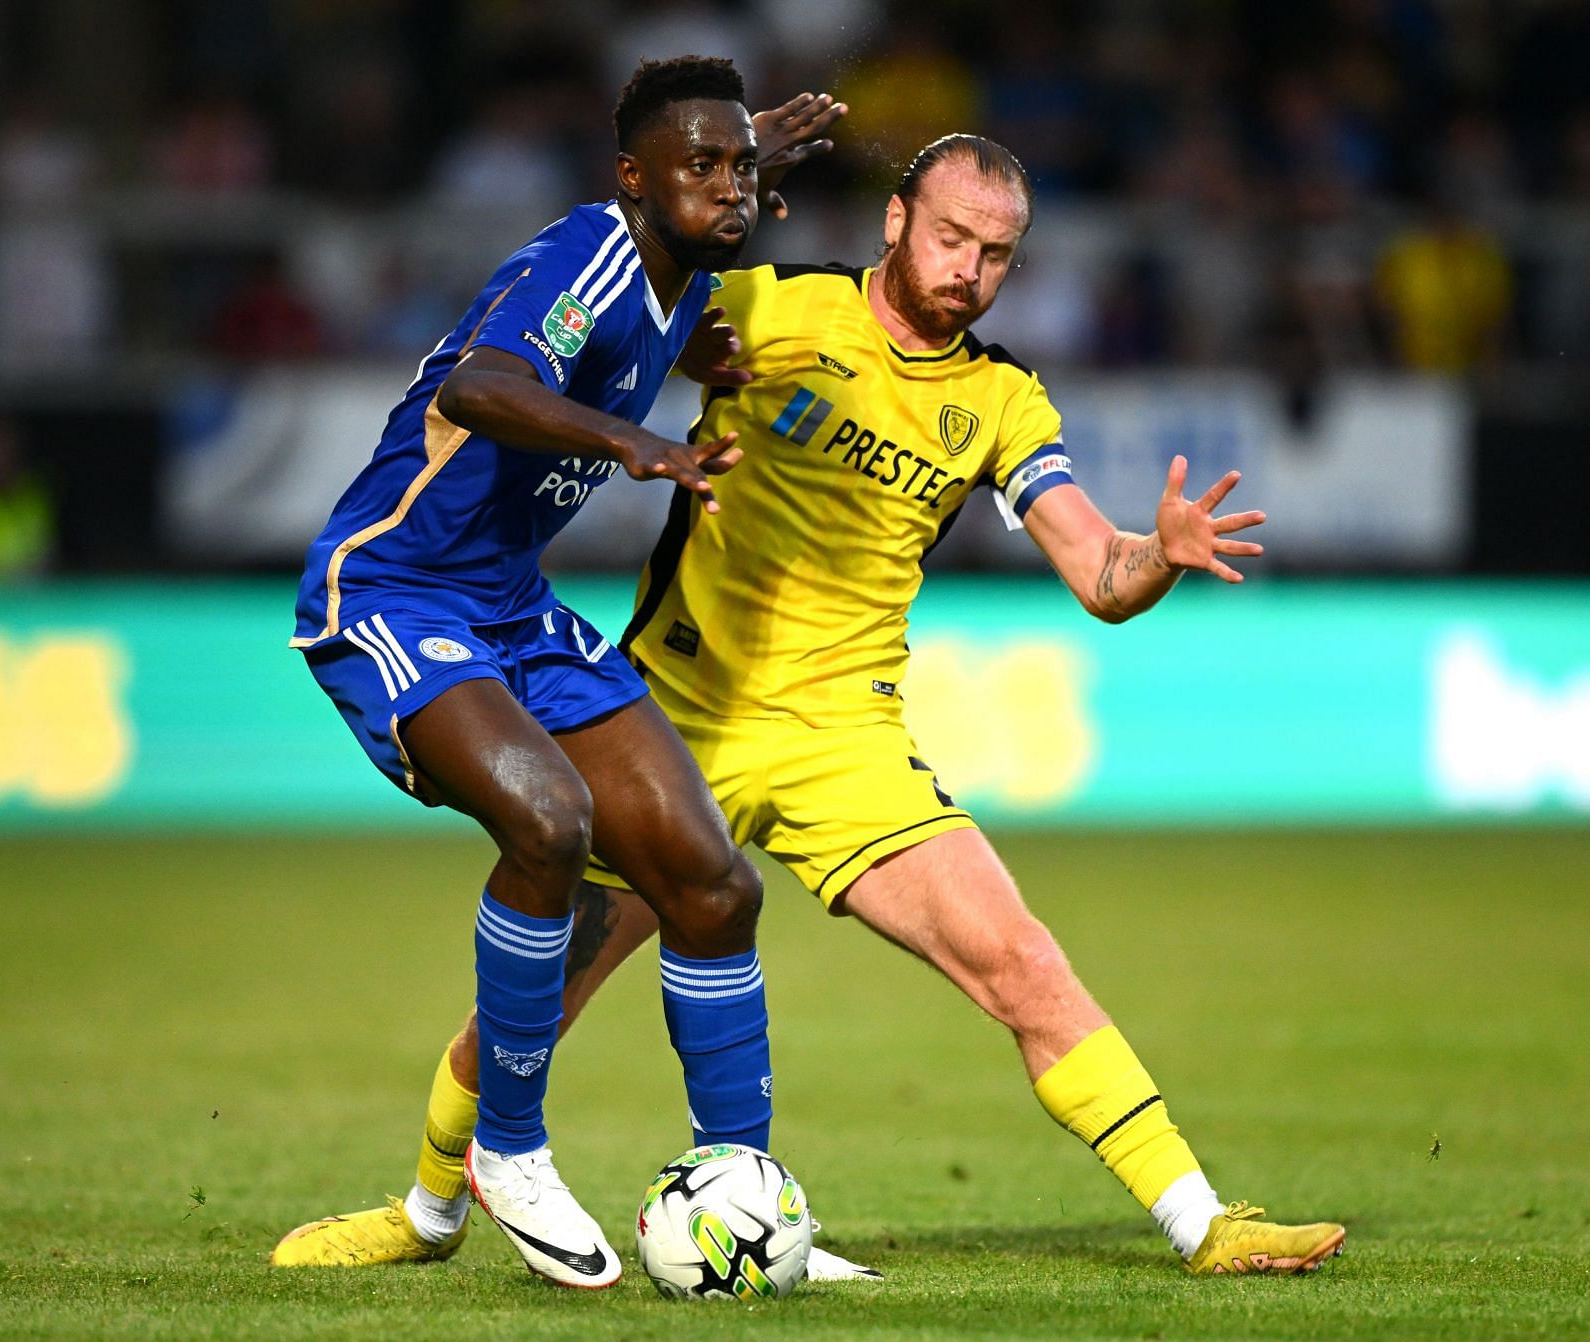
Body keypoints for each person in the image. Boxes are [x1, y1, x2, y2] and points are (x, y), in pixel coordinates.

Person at [300, 132, 1346, 1281]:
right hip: (670, 716)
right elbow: (617, 303)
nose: (969, 271)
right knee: (530, 1007)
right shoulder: (768, 307)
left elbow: (1099, 574)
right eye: (952, 238)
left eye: (998, 255)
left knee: (1022, 960)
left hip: (846, 741)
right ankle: (429, 1213)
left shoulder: (999, 401)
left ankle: (1206, 1222)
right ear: (896, 221)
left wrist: (1161, 553)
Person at [269, 58, 845, 1288]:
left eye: (743, 167)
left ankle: (743, 1195)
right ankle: (509, 1151)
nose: (733, 189)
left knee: (712, 883)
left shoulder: (688, 264)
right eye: (702, 166)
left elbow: (689, 254)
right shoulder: (584, 258)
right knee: (547, 817)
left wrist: (759, 159)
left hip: (513, 610)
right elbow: (486, 385)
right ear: (631, 179)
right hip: (390, 592)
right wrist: (632, 439)